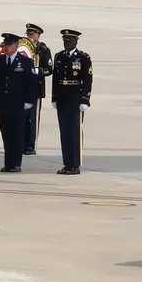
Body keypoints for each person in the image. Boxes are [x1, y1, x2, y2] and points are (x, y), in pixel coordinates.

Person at [0, 33, 37, 173]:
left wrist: (29, 101)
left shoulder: (25, 62)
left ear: (16, 46)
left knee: (17, 134)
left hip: (18, 104)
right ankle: (8, 163)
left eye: (9, 45)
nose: (6, 48)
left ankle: (16, 163)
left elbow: (31, 83)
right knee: (6, 134)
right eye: (5, 45)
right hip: (4, 104)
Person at [52, 29, 92, 175]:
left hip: (75, 99)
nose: (66, 44)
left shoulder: (83, 57)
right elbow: (55, 79)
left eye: (69, 41)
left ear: (75, 42)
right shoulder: (59, 57)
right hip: (62, 98)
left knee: (75, 132)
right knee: (64, 132)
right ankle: (67, 163)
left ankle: (75, 164)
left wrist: (85, 100)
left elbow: (87, 79)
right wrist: (54, 97)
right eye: (64, 41)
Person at [24, 23, 54, 155]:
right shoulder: (23, 47)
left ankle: (31, 145)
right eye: (29, 34)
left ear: (38, 35)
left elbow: (50, 69)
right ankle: (21, 143)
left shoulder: (43, 49)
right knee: (22, 117)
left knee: (32, 118)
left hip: (36, 88)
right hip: (23, 88)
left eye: (33, 34)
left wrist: (38, 71)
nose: (30, 36)